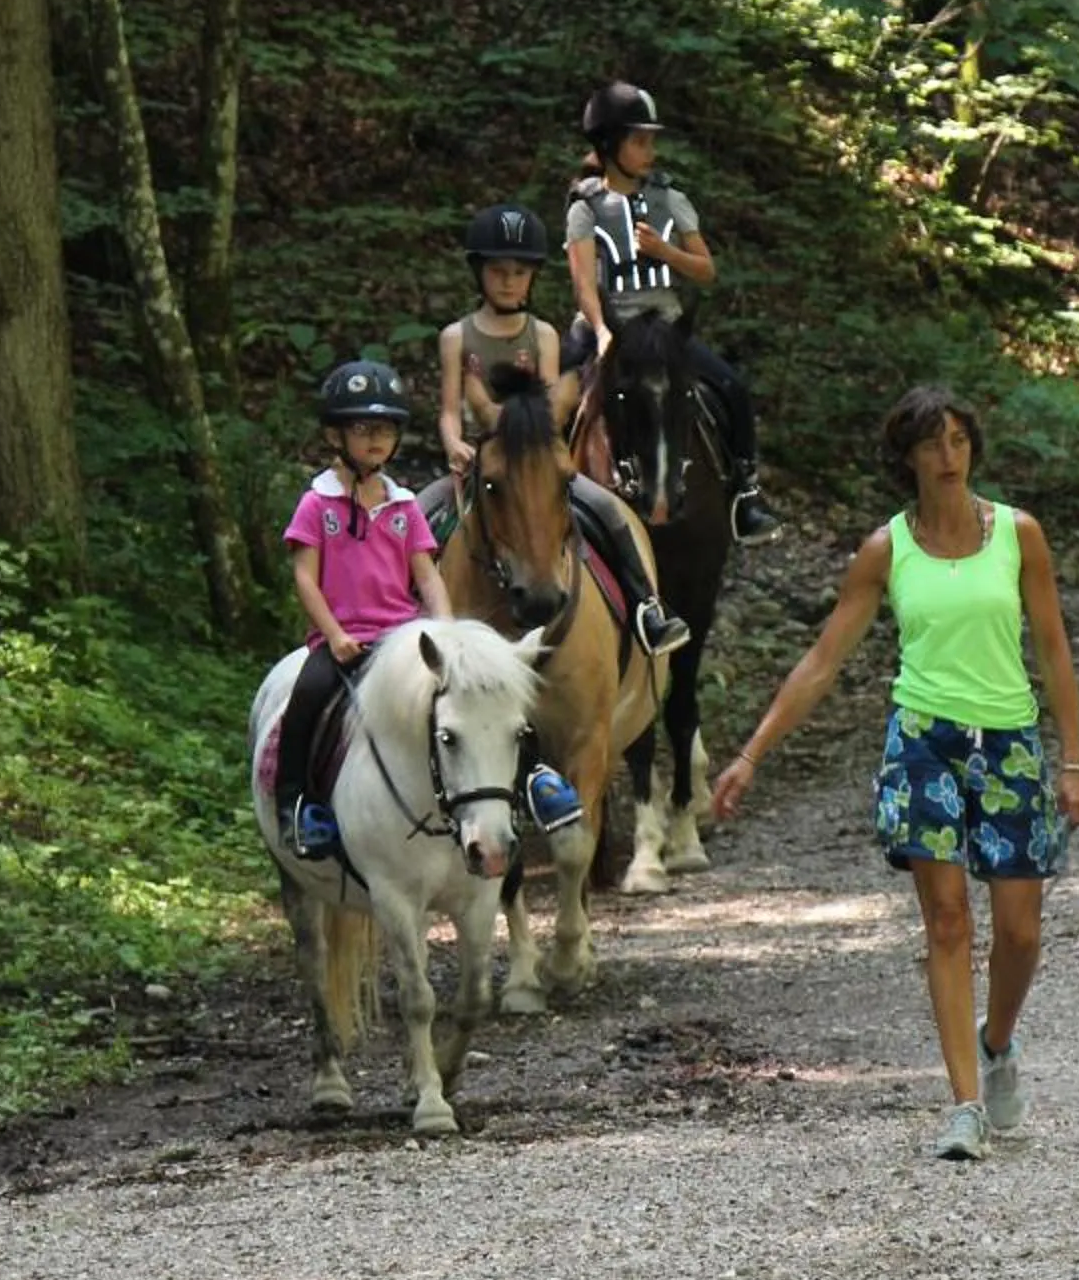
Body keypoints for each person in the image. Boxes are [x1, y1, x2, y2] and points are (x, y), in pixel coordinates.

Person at [709, 386, 1079, 1160]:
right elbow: (823, 661)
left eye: (957, 441)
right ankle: (963, 1107)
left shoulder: (1019, 535)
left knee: (1019, 931)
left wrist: (1074, 760)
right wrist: (752, 753)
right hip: (921, 742)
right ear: (907, 459)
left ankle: (997, 1042)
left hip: (1009, 740)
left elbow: (1053, 652)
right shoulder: (888, 549)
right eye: (931, 445)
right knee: (947, 921)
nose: (948, 458)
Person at [277, 357, 582, 859]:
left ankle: (532, 778)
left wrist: (445, 630)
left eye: (386, 430)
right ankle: (299, 803)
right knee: (308, 696)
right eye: (362, 429)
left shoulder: (403, 505)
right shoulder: (318, 505)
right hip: (344, 638)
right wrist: (331, 634)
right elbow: (305, 579)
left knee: (485, 695)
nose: (376, 440)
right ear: (336, 436)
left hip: (403, 637)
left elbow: (426, 576)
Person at [433, 202, 690, 660]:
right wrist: (454, 442)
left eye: (519, 272)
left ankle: (647, 608)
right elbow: (451, 410)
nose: (509, 281)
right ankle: (392, 623)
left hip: (534, 455)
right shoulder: (457, 336)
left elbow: (550, 406)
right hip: (480, 455)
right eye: (498, 271)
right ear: (479, 274)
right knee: (415, 514)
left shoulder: (545, 335)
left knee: (609, 512)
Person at [563, 81, 779, 540]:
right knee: (550, 396)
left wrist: (665, 252)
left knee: (731, 386)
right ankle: (545, 493)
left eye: (652, 141)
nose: (650, 151)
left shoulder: (671, 200)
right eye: (639, 140)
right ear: (609, 144)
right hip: (608, 323)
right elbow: (583, 283)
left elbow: (705, 270)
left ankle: (746, 493)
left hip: (662, 325)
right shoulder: (584, 209)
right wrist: (602, 331)